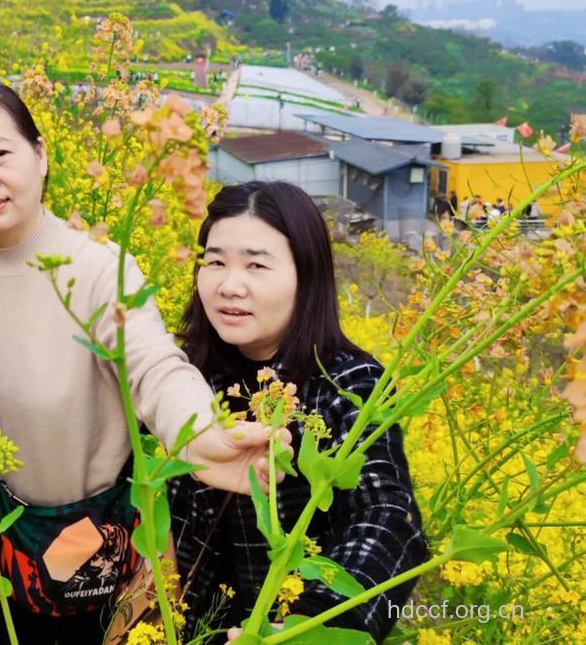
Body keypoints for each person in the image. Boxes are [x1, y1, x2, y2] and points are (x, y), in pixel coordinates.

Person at [0, 81, 273, 645]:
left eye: (0, 153)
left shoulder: (98, 268)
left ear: (40, 154)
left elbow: (155, 367)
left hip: (100, 572)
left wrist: (202, 434)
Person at [168, 181, 427, 644]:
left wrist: (314, 624)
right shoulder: (177, 375)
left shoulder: (350, 384)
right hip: (177, 624)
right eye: (215, 262)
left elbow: (388, 513)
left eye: (256, 265)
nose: (229, 285)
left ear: (306, 276)